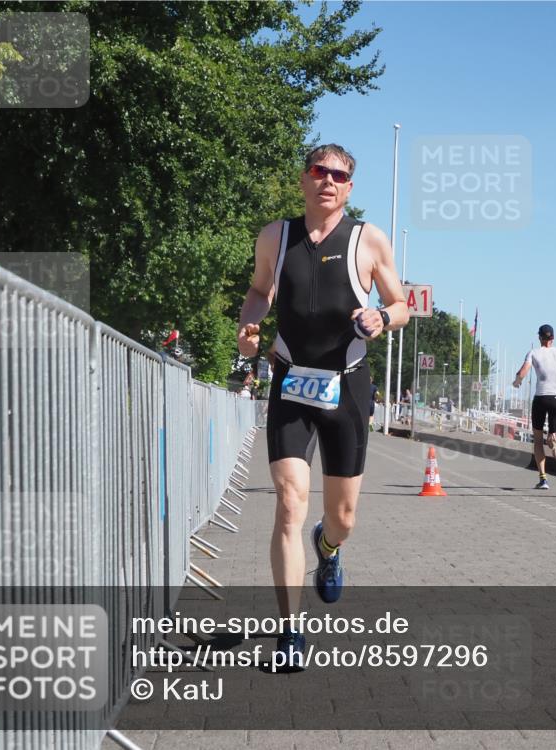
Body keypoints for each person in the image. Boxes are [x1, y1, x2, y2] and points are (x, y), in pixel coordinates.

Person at [237, 144, 408, 669]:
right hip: (291, 382)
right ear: (304, 179)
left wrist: (383, 318)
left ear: (349, 187)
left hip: (347, 386)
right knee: (289, 503)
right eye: (319, 171)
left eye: (339, 175)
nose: (328, 181)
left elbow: (400, 303)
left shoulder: (368, 238)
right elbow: (259, 291)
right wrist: (250, 325)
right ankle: (290, 633)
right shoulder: (275, 235)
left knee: (343, 517)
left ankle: (329, 550)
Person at [512, 324, 556, 490]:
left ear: (540, 338)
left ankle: (543, 479)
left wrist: (517, 381)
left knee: (537, 440)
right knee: (553, 432)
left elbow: (522, 372)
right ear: (553, 338)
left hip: (541, 398)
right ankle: (553, 437)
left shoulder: (534, 353)